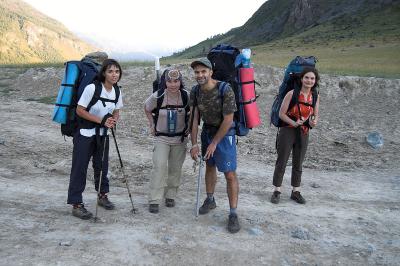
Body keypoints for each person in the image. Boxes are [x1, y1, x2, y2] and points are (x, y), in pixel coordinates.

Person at [189, 58, 241, 233]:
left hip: (225, 135)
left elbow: (228, 120)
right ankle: (210, 200)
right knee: (209, 166)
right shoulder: (195, 91)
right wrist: (194, 143)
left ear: (211, 72)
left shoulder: (225, 89)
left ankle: (233, 213)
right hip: (207, 132)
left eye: (203, 71)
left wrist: (214, 143)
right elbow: (195, 118)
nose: (200, 75)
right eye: (197, 72)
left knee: (229, 173)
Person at [67, 59, 123, 219]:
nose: (114, 75)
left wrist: (113, 120)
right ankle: (76, 204)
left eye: (117, 71)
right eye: (110, 71)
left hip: (103, 135)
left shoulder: (117, 91)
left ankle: (102, 196)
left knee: (102, 167)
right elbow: (80, 110)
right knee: (80, 168)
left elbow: (117, 110)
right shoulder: (92, 88)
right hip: (85, 133)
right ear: (104, 73)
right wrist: (102, 121)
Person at [270, 67, 320, 204]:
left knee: (299, 162)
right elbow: (281, 114)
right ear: (301, 79)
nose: (309, 81)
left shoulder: (315, 96)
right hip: (287, 129)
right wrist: (294, 122)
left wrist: (313, 122)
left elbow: (315, 116)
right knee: (282, 160)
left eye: (312, 78)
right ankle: (277, 190)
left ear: (315, 81)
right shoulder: (292, 94)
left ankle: (295, 191)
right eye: (307, 78)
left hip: (304, 131)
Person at [144, 68, 189, 214]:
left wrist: (190, 128)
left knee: (175, 168)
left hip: (180, 139)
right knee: (159, 167)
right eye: (169, 81)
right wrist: (151, 124)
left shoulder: (186, 96)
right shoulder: (158, 95)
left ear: (180, 81)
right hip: (161, 138)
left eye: (176, 81)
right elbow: (147, 108)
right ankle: (155, 199)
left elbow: (194, 112)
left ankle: (170, 195)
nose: (173, 84)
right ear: (165, 82)